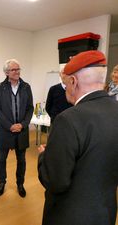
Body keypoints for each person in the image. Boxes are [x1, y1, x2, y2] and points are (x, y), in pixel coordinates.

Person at [38, 50, 118, 225]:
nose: (65, 87)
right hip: (106, 213)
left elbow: (55, 181)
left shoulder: (68, 119)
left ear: (73, 82)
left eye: (65, 83)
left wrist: (45, 156)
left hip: (69, 215)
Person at [0, 59, 34, 197]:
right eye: (13, 70)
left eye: (18, 69)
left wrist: (22, 124)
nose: (17, 72)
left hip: (22, 130)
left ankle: (20, 183)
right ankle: (2, 182)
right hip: (6, 130)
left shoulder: (26, 87)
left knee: (21, 159)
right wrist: (9, 126)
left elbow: (30, 108)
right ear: (6, 72)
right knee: (1, 159)